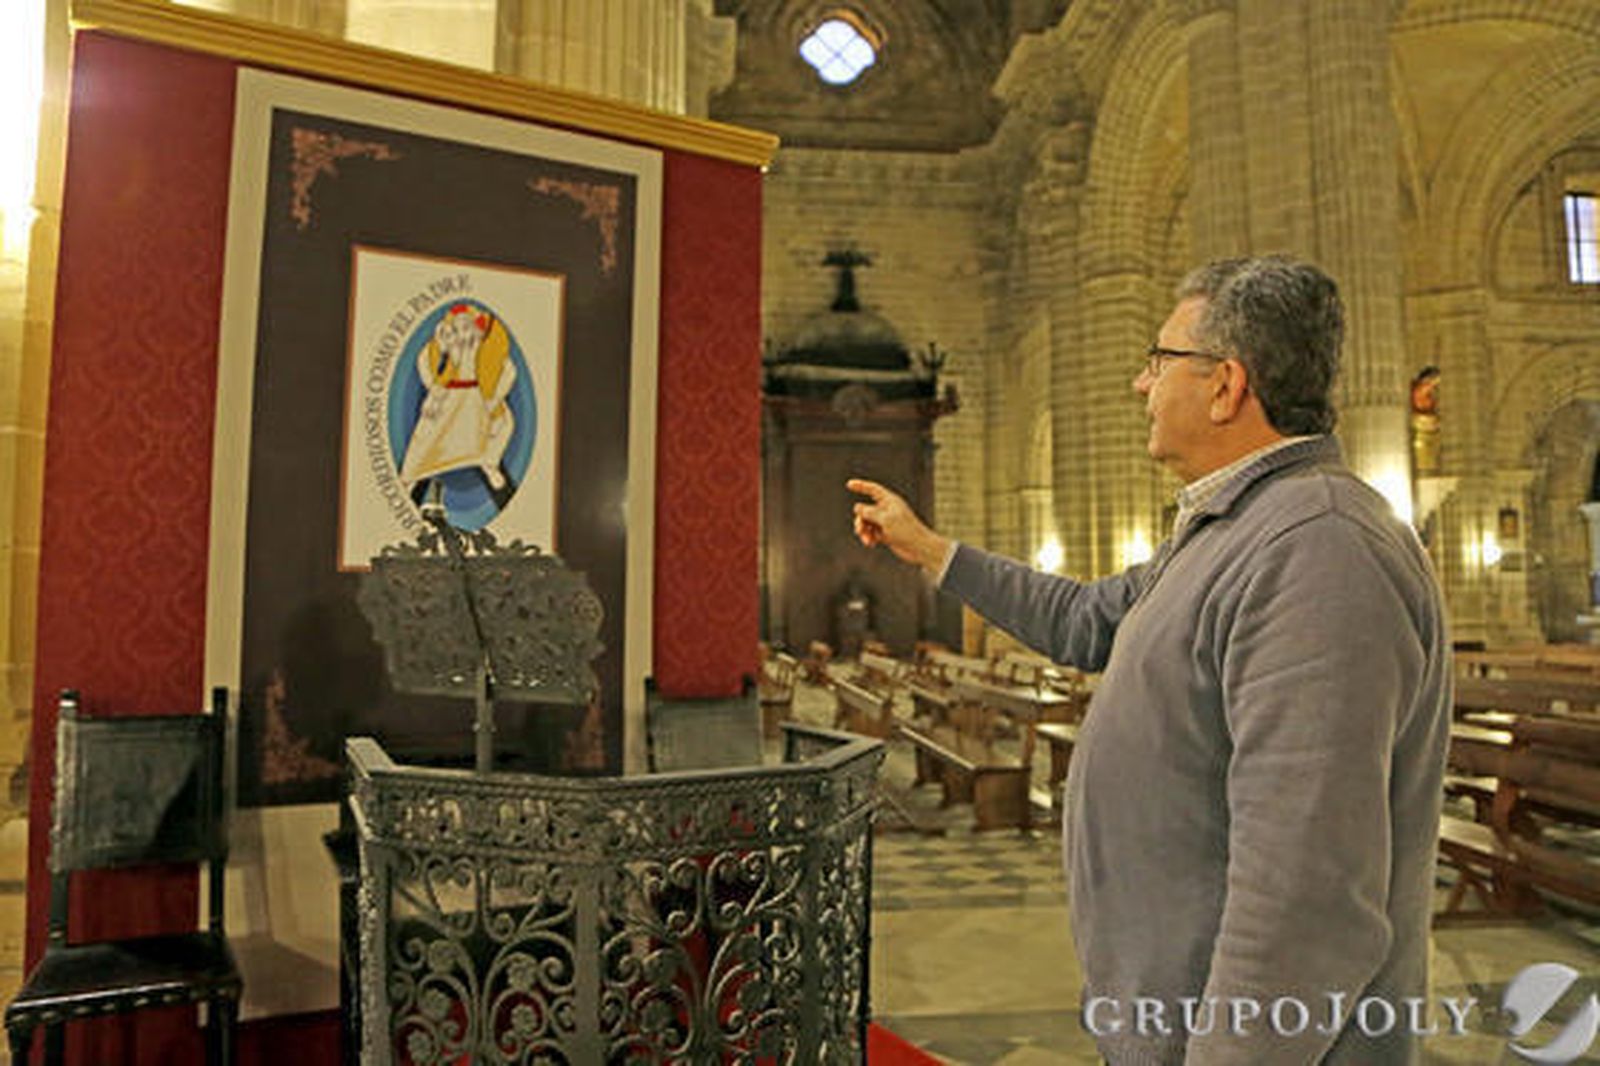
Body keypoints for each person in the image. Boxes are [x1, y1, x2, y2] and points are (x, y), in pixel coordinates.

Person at [849, 255, 1449, 1065]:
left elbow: (1303, 896)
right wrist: (929, 551)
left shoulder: (1320, 550)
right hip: (1167, 1018)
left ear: (1225, 385)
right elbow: (1085, 619)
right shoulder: (1236, 530)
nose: (1140, 384)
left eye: (1159, 361)